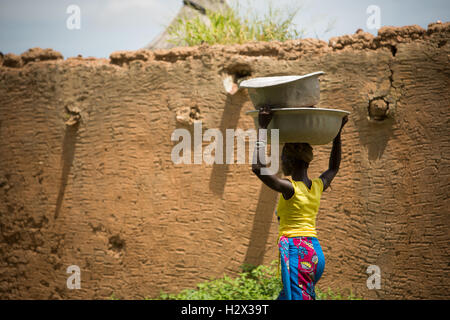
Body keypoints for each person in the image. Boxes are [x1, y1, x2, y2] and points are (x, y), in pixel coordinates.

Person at [251, 105, 348, 300]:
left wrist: (262, 127)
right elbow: (334, 167)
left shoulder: (290, 188)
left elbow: (257, 167)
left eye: (283, 155)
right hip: (314, 253)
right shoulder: (317, 186)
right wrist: (337, 134)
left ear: (288, 159)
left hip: (298, 253)